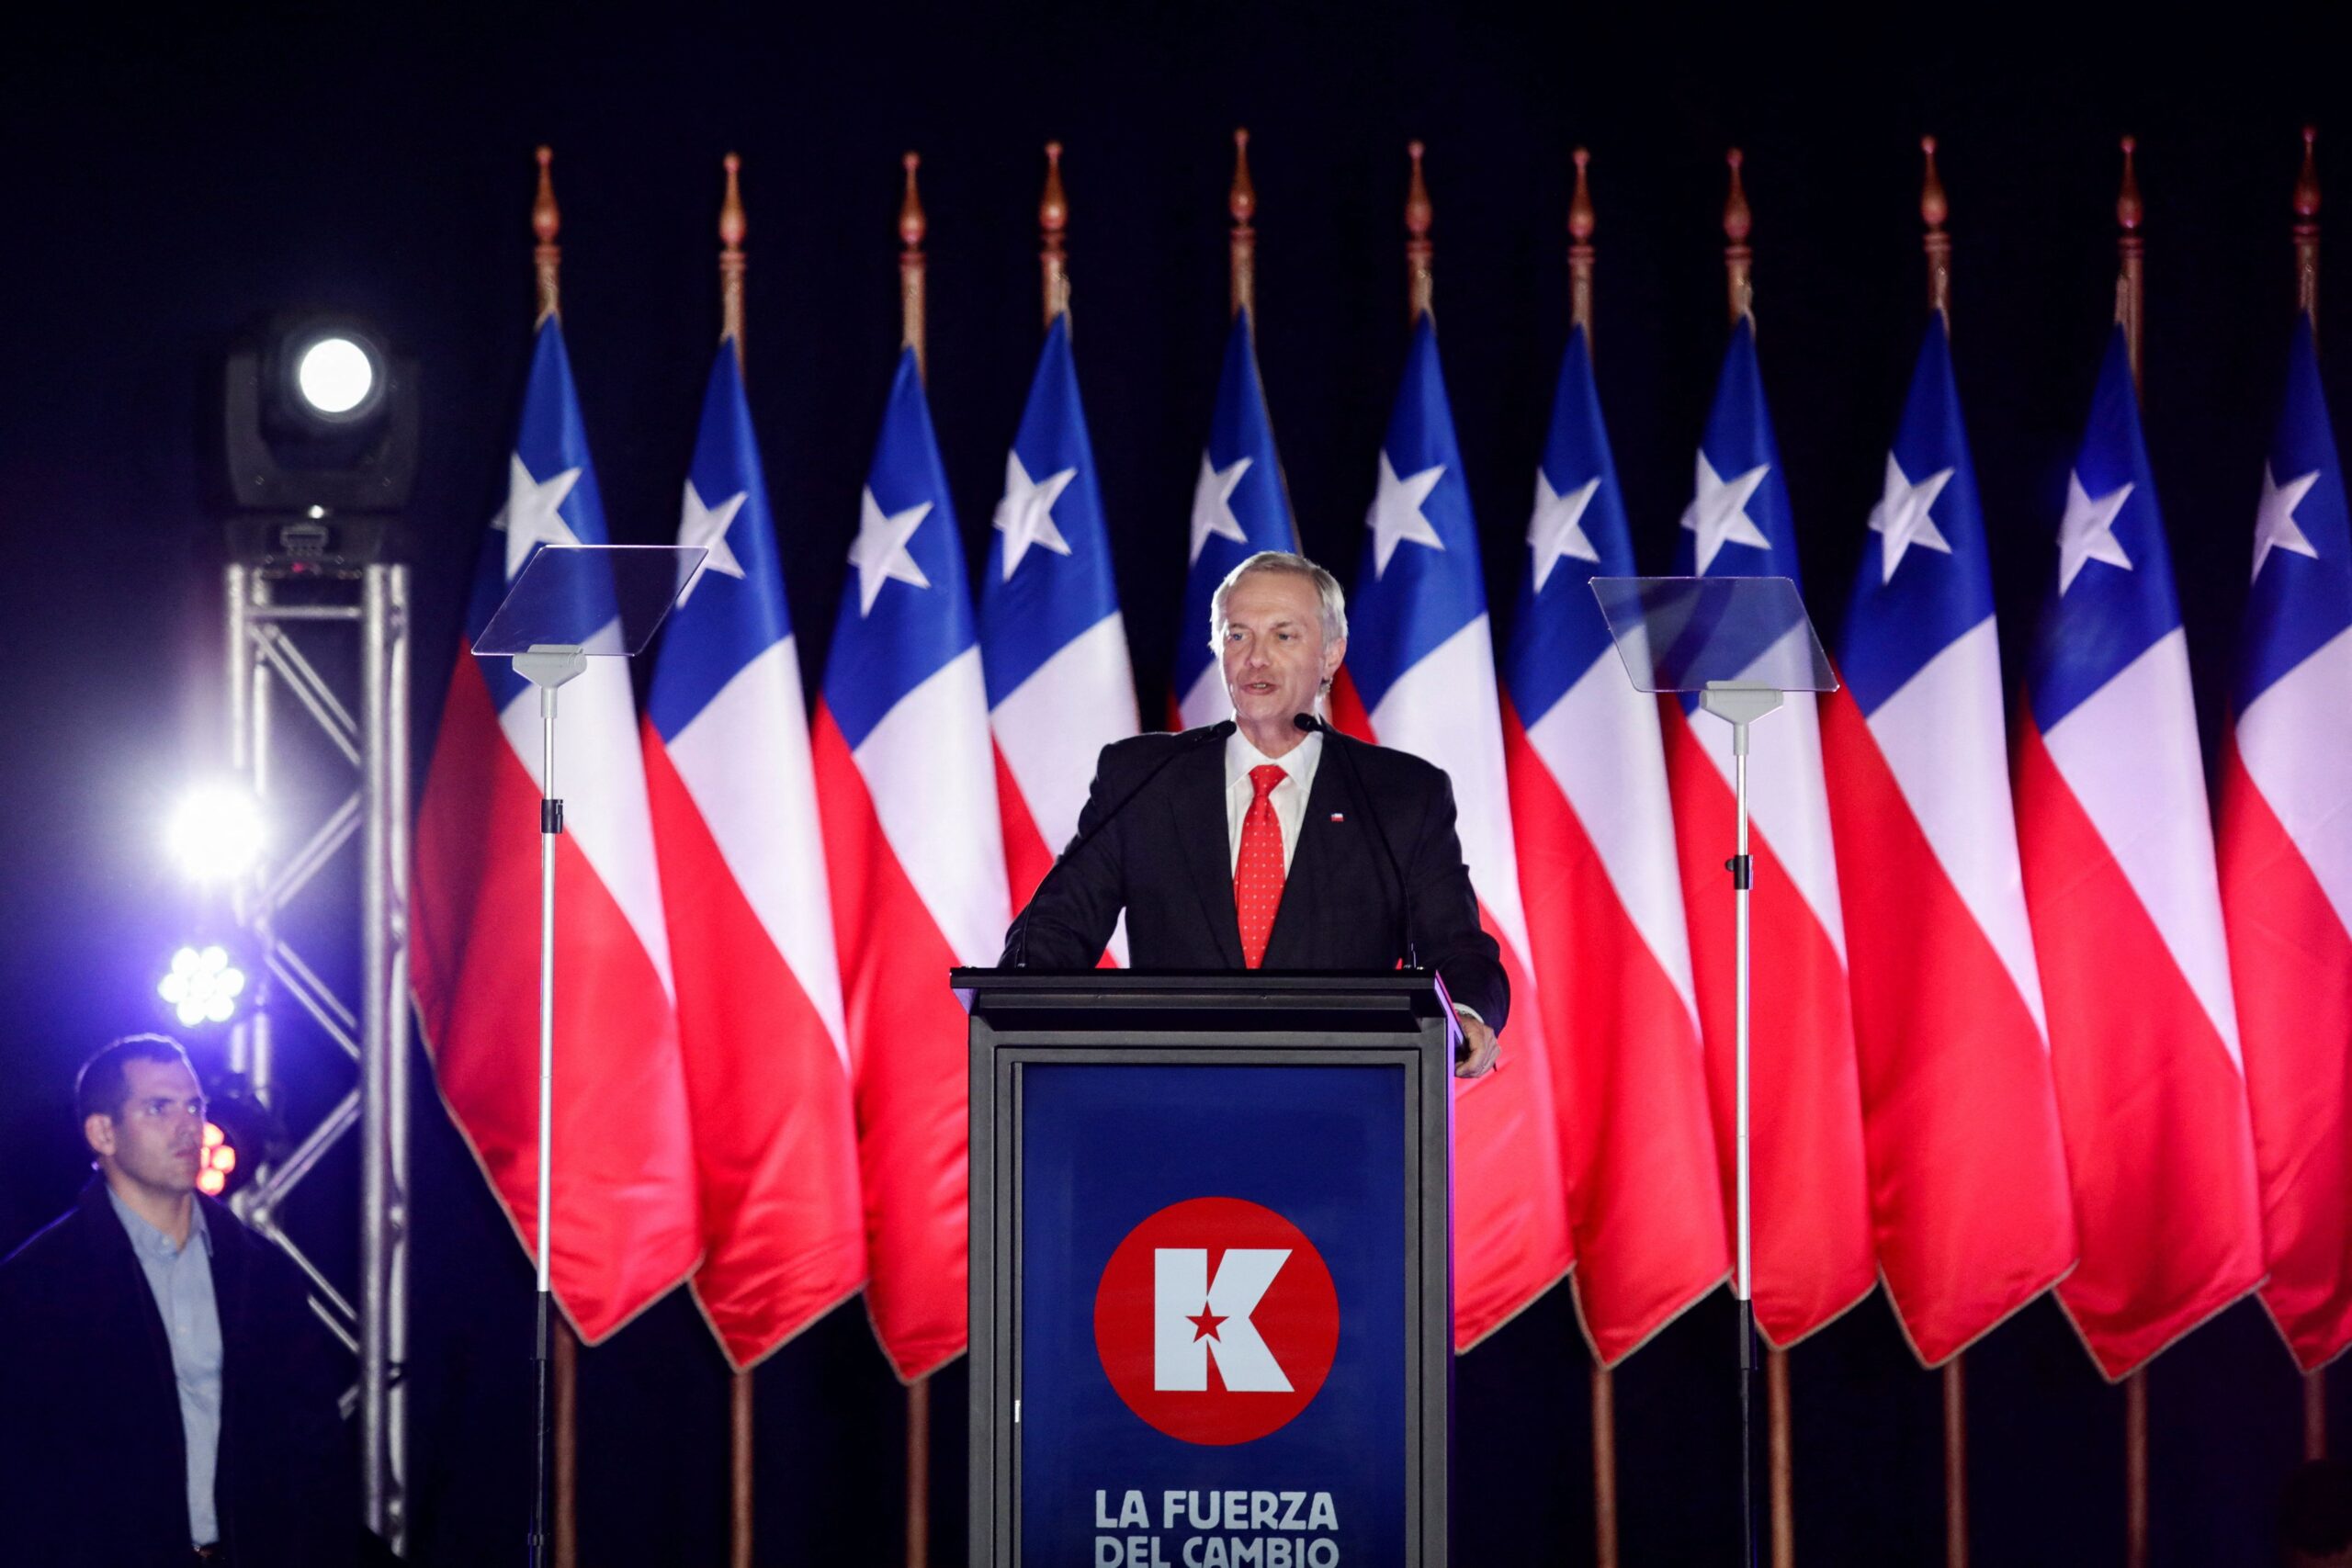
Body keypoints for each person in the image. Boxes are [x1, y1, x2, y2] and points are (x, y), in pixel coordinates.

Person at [1002, 549, 1503, 1075]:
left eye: (1284, 636)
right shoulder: (1144, 778)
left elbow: (1456, 947)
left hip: (1340, 1097)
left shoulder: (1398, 794)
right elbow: (1056, 928)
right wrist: (1020, 993)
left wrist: (1465, 1014)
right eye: (1237, 635)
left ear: (1331, 654)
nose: (1256, 658)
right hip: (1169, 1092)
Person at [0, 1034, 357, 1566]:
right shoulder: (38, 1285)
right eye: (158, 1107)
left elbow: (313, 1449)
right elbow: (25, 1473)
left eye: (194, 1106)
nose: (188, 1125)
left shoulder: (261, 1272)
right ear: (102, 1133)